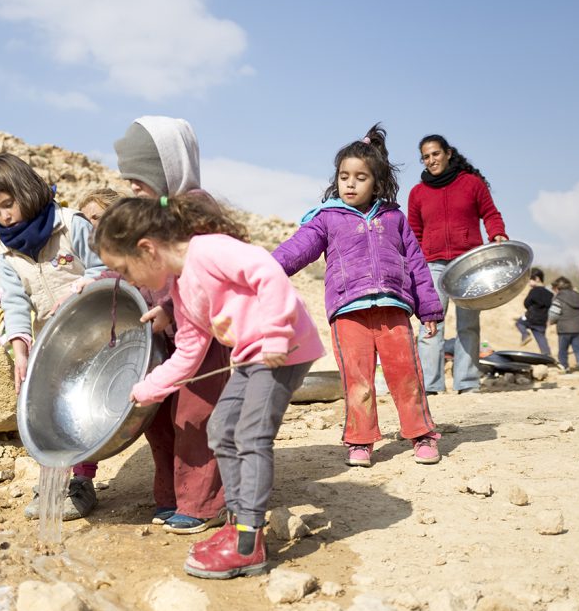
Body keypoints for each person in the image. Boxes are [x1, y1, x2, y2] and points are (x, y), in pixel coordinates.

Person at [94, 194, 324, 579]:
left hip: (283, 351)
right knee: (221, 429)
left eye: (125, 269)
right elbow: (188, 354)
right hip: (252, 356)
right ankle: (237, 525)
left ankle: (249, 543)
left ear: (147, 249)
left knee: (250, 435)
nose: (129, 281)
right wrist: (144, 390)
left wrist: (276, 335)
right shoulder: (181, 292)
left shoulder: (208, 251)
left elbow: (267, 273)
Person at [273, 124, 444, 468]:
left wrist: (429, 309)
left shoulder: (394, 217)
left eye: (360, 177)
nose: (350, 183)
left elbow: (417, 264)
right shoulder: (327, 219)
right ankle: (360, 441)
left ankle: (421, 434)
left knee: (406, 374)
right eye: (344, 176)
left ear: (376, 182)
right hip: (348, 312)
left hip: (394, 309)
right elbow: (296, 251)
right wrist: (262, 269)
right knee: (358, 380)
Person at [113, 116, 230, 534]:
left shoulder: (198, 213)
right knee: (159, 421)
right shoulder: (148, 215)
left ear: (168, 170)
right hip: (166, 341)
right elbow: (134, 265)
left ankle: (205, 503)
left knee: (195, 419)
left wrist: (171, 308)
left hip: (205, 338)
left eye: (140, 178)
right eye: (129, 181)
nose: (133, 189)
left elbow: (199, 275)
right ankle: (172, 496)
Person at [0, 153, 107, 520]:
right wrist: (21, 351)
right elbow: (16, 302)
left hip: (97, 330)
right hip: (54, 339)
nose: (4, 216)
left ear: (26, 190)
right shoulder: (8, 251)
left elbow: (105, 266)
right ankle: (54, 482)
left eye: (8, 204)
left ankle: (81, 481)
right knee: (52, 408)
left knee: (86, 405)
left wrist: (83, 285)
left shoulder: (71, 226)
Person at [408, 134, 508, 395]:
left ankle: (467, 383)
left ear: (448, 153)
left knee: (468, 324)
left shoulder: (471, 184)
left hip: (468, 264)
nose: (431, 160)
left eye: (435, 154)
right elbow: (415, 233)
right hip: (432, 265)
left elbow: (490, 213)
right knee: (430, 324)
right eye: (426, 156)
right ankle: (431, 387)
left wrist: (497, 233)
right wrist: (413, 266)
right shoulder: (417, 193)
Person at [548, 276, 579, 373]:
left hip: (564, 329)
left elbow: (554, 313)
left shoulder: (558, 298)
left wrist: (551, 321)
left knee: (563, 350)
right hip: (578, 328)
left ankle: (564, 366)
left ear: (557, 288)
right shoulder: (578, 297)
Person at [516, 268, 553, 357]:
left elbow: (526, 303)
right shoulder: (549, 293)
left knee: (519, 323)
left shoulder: (534, 291)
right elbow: (550, 305)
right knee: (541, 337)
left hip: (531, 318)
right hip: (542, 320)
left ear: (537, 279)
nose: (529, 283)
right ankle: (547, 355)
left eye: (530, 280)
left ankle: (525, 335)